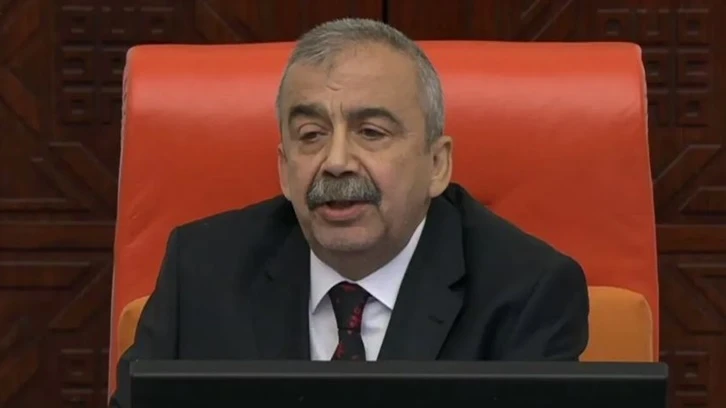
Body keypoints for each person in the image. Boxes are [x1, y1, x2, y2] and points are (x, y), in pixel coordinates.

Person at [109, 18, 589, 408]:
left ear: (437, 164)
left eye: (371, 132)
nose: (336, 161)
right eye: (312, 135)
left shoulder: (527, 292)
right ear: (284, 169)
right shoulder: (201, 270)